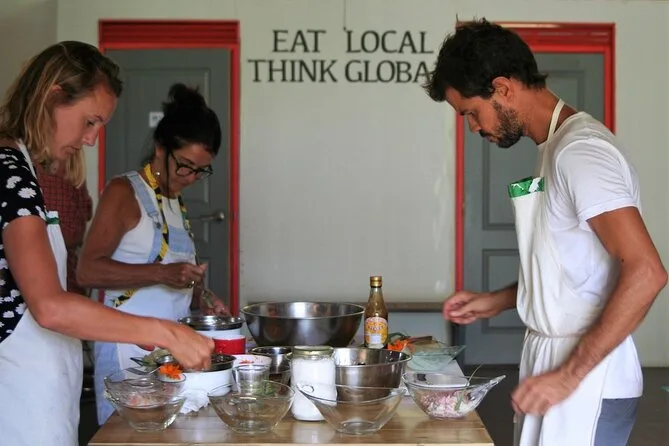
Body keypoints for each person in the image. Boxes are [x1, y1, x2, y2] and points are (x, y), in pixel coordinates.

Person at [424, 19, 667, 446]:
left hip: (589, 379)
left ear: (502, 88)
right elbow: (573, 266)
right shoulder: (553, 148)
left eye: (470, 112)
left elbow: (647, 272)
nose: (473, 127)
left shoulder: (581, 151)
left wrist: (569, 375)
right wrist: (497, 300)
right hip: (557, 365)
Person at [0, 42, 214, 446]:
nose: (91, 140)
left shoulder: (22, 170)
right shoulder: (10, 173)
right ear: (53, 96)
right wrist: (166, 333)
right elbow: (49, 306)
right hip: (17, 398)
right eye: (89, 122)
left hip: (38, 388)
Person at [76, 82, 230, 424]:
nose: (191, 177)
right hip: (126, 348)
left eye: (201, 170)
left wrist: (201, 295)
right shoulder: (124, 192)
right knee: (128, 435)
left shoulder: (176, 202)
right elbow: (87, 271)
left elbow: (174, 279)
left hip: (168, 351)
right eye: (185, 165)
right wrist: (163, 274)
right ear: (161, 147)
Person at [35, 161, 93, 295]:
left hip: (61, 270)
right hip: (61, 270)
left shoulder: (72, 173)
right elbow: (86, 212)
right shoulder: (71, 172)